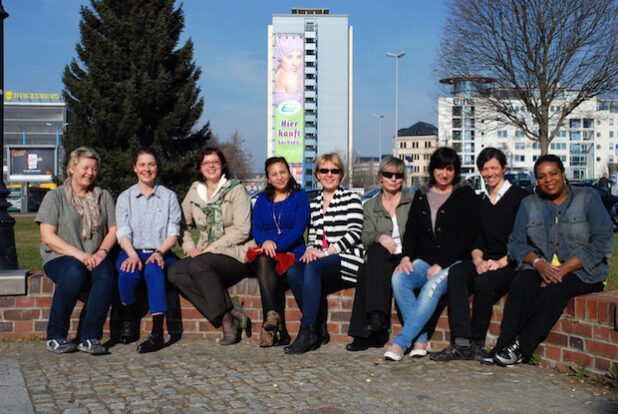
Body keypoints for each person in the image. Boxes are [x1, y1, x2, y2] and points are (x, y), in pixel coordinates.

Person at [492, 154, 614, 366]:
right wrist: (537, 263)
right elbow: (515, 243)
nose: (548, 180)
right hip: (542, 266)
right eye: (541, 176)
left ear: (563, 174)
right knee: (521, 284)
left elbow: (603, 241)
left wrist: (563, 269)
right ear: (536, 180)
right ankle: (502, 345)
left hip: (585, 271)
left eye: (553, 173)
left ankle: (521, 347)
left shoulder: (588, 197)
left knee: (555, 290)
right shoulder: (529, 204)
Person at [430, 147, 528, 362]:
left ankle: (477, 343)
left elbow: (524, 238)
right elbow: (477, 241)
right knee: (457, 273)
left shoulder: (520, 197)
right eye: (485, 169)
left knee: (484, 283)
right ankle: (460, 343)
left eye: (494, 168)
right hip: (485, 259)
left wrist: (501, 262)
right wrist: (478, 260)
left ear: (503, 168)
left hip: (512, 262)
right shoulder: (481, 202)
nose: (489, 173)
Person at [384, 147, 478, 361]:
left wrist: (443, 263)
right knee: (399, 278)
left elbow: (467, 236)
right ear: (431, 169)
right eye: (439, 168)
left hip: (454, 263)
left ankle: (400, 343)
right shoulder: (421, 195)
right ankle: (421, 338)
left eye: (449, 169)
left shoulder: (465, 196)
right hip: (425, 260)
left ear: (456, 171)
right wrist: (406, 257)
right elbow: (412, 231)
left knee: (430, 288)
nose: (444, 173)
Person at [167, 147, 254, 345]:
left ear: (222, 165)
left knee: (199, 265)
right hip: (205, 256)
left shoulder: (236, 189)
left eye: (215, 162)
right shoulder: (194, 192)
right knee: (174, 272)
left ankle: (227, 324)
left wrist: (212, 248)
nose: (211, 166)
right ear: (200, 167)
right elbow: (182, 225)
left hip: (236, 253)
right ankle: (230, 310)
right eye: (206, 163)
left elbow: (243, 229)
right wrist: (189, 248)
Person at [36, 147, 117, 355]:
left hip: (94, 256)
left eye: (94, 168)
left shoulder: (103, 196)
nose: (89, 173)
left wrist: (101, 253)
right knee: (74, 271)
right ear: (72, 168)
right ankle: (55, 335)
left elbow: (114, 230)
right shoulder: (55, 197)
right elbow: (48, 236)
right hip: (61, 258)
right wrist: (80, 255)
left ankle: (89, 337)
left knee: (107, 273)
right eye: (85, 167)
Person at [284, 153, 364, 354]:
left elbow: (355, 233)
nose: (329, 175)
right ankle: (318, 328)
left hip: (348, 258)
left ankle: (307, 331)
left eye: (334, 171)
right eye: (324, 170)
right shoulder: (315, 203)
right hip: (323, 261)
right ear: (317, 175)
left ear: (341, 174)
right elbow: (312, 235)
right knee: (294, 271)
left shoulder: (351, 198)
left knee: (313, 267)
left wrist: (327, 252)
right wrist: (311, 248)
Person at [115, 146, 181, 353]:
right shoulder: (124, 198)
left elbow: (173, 232)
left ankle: (157, 332)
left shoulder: (169, 196)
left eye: (151, 164)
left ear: (157, 167)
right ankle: (130, 318)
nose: (147, 169)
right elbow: (122, 232)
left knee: (153, 270)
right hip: (131, 250)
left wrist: (159, 252)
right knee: (128, 273)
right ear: (134, 168)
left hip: (160, 251)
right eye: (142, 164)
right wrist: (132, 254)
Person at [346, 157, 413, 351]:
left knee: (367, 270)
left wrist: (408, 254)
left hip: (406, 254)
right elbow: (365, 237)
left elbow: (418, 234)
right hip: (380, 256)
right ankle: (374, 323)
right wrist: (379, 236)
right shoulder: (369, 206)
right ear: (380, 177)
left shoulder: (412, 202)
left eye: (398, 175)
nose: (393, 179)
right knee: (367, 266)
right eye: (388, 174)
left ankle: (374, 325)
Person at [250, 157, 310, 347]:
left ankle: (274, 328)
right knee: (263, 260)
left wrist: (276, 246)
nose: (279, 177)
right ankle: (273, 321)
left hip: (292, 251)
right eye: (274, 174)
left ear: (289, 173)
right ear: (268, 179)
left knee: (265, 261)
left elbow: (299, 229)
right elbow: (256, 229)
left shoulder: (300, 196)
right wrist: (265, 241)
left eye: (283, 172)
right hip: (268, 253)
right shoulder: (262, 199)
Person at [275, 34, 303, 107]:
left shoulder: (277, 71)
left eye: (299, 57)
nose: (295, 63)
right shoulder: (291, 77)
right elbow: (295, 111)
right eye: (289, 57)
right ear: (280, 58)